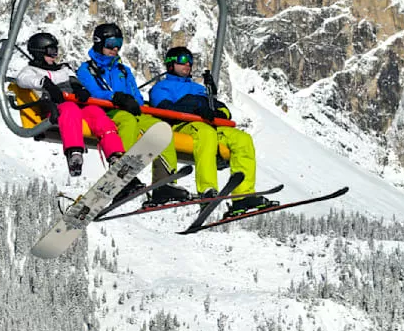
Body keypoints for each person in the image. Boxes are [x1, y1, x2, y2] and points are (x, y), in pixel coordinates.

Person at [148, 45, 276, 217]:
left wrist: (218, 111)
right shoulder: (162, 87)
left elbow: (220, 108)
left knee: (242, 139)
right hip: (183, 126)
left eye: (190, 62)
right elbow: (164, 108)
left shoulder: (199, 88)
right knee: (205, 134)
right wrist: (196, 107)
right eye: (183, 61)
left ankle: (242, 196)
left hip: (209, 126)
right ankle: (207, 190)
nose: (188, 65)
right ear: (171, 64)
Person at [75, 23, 189, 205]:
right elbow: (92, 92)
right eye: (111, 42)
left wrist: (132, 101)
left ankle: (163, 184)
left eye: (119, 43)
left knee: (161, 128)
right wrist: (115, 97)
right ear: (99, 42)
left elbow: (136, 94)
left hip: (130, 110)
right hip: (107, 111)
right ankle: (121, 175)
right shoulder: (86, 69)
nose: (115, 48)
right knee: (127, 121)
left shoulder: (123, 70)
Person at [16, 32, 125, 176]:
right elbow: (22, 79)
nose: (54, 55)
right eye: (51, 52)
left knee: (96, 113)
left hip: (77, 105)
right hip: (55, 107)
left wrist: (80, 89)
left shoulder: (63, 69)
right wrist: (45, 84)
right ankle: (74, 153)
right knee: (70, 109)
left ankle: (115, 155)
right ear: (39, 52)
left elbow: (74, 80)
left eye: (56, 51)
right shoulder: (31, 71)